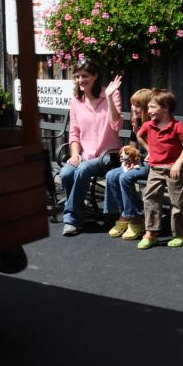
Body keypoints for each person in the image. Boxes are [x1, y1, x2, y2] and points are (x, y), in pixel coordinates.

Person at [60, 59, 123, 236]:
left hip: (108, 155)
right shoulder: (76, 101)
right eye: (78, 76)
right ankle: (79, 206)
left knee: (83, 169)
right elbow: (74, 132)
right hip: (85, 155)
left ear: (95, 76)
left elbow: (116, 125)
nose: (80, 80)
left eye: (85, 76)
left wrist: (110, 97)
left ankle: (71, 219)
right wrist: (74, 154)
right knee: (66, 173)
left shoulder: (110, 95)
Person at [136, 89, 183, 249]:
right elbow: (139, 136)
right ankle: (150, 233)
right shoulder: (148, 125)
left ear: (165, 107)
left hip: (173, 170)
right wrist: (150, 151)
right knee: (150, 198)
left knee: (177, 202)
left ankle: (180, 234)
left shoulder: (177, 126)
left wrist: (178, 164)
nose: (149, 111)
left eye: (152, 107)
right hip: (155, 168)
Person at [105, 88, 154, 241]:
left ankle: (135, 218)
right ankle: (124, 213)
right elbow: (132, 148)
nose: (133, 108)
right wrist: (127, 158)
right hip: (138, 161)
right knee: (112, 174)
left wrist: (137, 161)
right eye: (132, 104)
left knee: (125, 178)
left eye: (138, 105)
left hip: (151, 164)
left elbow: (156, 149)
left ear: (147, 107)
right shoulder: (137, 123)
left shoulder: (153, 124)